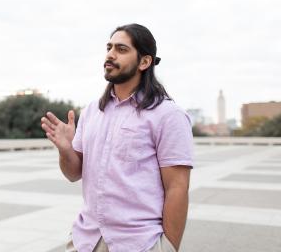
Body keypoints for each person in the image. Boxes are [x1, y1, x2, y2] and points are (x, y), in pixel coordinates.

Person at [41, 24, 193, 252]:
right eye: (109, 47)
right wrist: (65, 150)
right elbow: (73, 174)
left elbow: (177, 188)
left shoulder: (168, 115)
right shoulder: (92, 111)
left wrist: (169, 247)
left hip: (138, 243)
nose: (110, 54)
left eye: (121, 49)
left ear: (144, 62)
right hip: (86, 240)